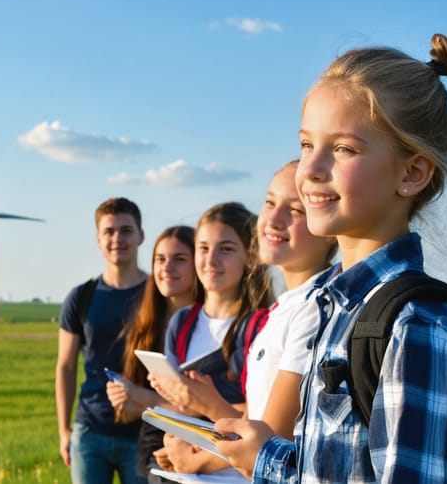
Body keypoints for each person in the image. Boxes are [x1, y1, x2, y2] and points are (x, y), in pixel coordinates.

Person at [215, 32, 447, 483]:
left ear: (412, 173)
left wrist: (267, 464)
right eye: (306, 145)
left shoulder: (418, 324)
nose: (311, 169)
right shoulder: (328, 303)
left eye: (342, 149)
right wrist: (270, 456)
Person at [152, 162, 338, 477]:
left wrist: (196, 455)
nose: (273, 220)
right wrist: (192, 449)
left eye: (295, 209)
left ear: (329, 230)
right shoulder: (281, 312)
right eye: (269, 202)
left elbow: (268, 444)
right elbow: (255, 423)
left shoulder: (314, 310)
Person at [56, 197, 149, 484]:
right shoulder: (80, 297)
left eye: (126, 230)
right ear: (98, 240)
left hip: (144, 433)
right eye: (109, 232)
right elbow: (65, 367)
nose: (117, 238)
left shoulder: (157, 295)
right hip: (90, 433)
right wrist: (64, 430)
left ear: (140, 236)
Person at [106, 225, 205, 483]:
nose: (167, 268)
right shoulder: (145, 328)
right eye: (160, 259)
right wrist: (124, 398)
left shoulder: (211, 329)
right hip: (153, 454)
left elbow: (206, 410)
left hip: (199, 455)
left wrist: (142, 397)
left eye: (179, 259)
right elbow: (133, 411)